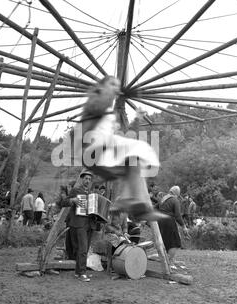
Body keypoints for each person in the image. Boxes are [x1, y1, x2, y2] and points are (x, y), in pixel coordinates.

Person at [74, 75, 167, 223]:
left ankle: (134, 205)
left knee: (134, 161)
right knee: (137, 152)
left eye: (117, 85)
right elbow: (95, 107)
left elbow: (127, 137)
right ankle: (130, 201)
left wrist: (137, 119)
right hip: (93, 152)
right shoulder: (96, 104)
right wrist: (106, 94)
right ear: (101, 87)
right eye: (112, 84)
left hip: (105, 157)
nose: (115, 88)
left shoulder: (107, 117)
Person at [61, 169, 97, 282]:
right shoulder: (76, 190)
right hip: (79, 223)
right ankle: (82, 272)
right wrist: (73, 200)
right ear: (82, 179)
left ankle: (78, 272)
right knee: (82, 248)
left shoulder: (91, 194)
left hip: (89, 223)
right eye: (86, 178)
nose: (87, 181)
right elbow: (64, 202)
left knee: (85, 248)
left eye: (89, 179)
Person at [157, 186, 190, 268]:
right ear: (176, 193)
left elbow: (154, 207)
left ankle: (170, 260)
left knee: (166, 241)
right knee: (175, 242)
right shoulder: (174, 200)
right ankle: (169, 261)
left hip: (160, 221)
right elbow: (178, 216)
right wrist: (184, 226)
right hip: (169, 222)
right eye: (178, 195)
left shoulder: (163, 199)